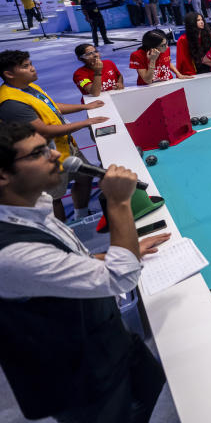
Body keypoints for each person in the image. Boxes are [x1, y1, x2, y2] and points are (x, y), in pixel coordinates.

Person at [0, 122, 169, 423]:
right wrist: (118, 202)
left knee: (151, 385)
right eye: (38, 153)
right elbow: (121, 277)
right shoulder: (10, 252)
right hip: (78, 377)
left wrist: (124, 251)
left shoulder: (31, 205)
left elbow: (70, 259)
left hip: (109, 339)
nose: (56, 156)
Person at [0, 50, 108, 221]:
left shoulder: (29, 87)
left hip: (66, 147)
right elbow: (43, 131)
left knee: (84, 176)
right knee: (53, 197)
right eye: (26, 66)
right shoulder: (11, 103)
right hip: (46, 155)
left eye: (31, 64)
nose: (33, 69)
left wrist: (85, 107)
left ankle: (81, 215)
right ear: (9, 74)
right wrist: (86, 122)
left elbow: (51, 105)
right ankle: (63, 230)